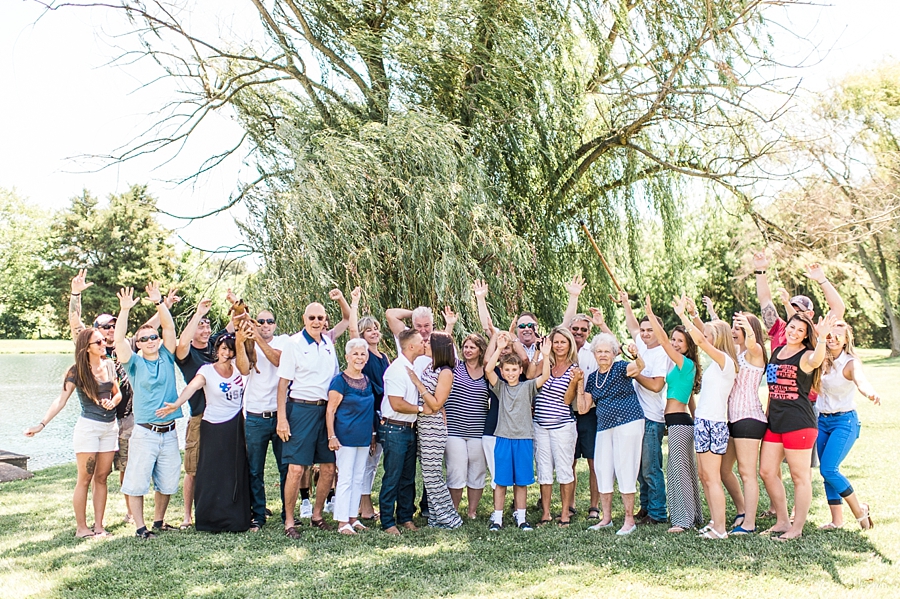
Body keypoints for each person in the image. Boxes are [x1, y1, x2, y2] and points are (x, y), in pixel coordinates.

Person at [67, 268, 178, 523]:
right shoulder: (90, 345)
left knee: (128, 465)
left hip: (127, 416)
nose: (111, 329)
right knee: (98, 473)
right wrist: (75, 294)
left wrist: (164, 304)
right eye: (106, 326)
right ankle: (95, 521)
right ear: (96, 329)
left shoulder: (123, 345)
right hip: (100, 418)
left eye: (114, 325)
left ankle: (131, 514)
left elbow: (149, 330)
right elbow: (74, 322)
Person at [24, 327, 122, 538]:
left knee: (102, 478)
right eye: (98, 342)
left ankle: (99, 526)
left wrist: (112, 402)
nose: (104, 343)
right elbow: (61, 400)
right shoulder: (76, 371)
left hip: (109, 427)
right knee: (85, 479)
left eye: (103, 340)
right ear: (86, 348)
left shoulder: (109, 364)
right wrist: (41, 425)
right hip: (89, 428)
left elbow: (118, 394)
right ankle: (82, 528)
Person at [157, 334, 250, 532]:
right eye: (223, 349)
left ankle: (236, 517)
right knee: (211, 472)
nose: (227, 353)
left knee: (234, 471)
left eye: (230, 349)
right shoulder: (207, 370)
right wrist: (176, 404)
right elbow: (191, 388)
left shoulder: (239, 370)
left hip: (235, 425)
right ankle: (209, 519)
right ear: (217, 350)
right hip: (213, 424)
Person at [759, 312, 836, 540]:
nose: (794, 332)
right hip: (775, 421)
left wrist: (821, 338)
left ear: (805, 336)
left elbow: (816, 360)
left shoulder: (807, 355)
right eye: (792, 327)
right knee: (766, 471)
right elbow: (773, 389)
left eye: (800, 330)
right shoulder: (777, 351)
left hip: (799, 424)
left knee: (799, 476)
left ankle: (797, 528)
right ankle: (782, 520)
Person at [115, 283, 182, 539]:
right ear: (138, 344)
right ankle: (140, 528)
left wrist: (159, 302)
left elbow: (169, 327)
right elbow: (119, 339)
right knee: (137, 482)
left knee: (167, 481)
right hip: (145, 433)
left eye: (153, 337)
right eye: (144, 339)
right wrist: (124, 310)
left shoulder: (167, 355)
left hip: (170, 432)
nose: (151, 341)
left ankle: (159, 521)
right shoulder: (133, 363)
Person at [673, 296, 738, 540]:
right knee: (704, 476)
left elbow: (699, 338)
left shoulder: (725, 361)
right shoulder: (715, 363)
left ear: (717, 339)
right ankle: (714, 521)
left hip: (713, 424)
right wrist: (694, 313)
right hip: (703, 422)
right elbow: (702, 333)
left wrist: (683, 316)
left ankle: (720, 529)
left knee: (711, 478)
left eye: (709, 335)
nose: (704, 338)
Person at [276, 302, 341, 538]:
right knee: (295, 469)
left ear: (325, 320)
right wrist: (282, 419)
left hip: (325, 412)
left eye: (320, 318)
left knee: (329, 467)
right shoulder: (293, 344)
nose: (316, 322)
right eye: (312, 317)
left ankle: (317, 515)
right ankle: (290, 522)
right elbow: (283, 384)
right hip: (300, 409)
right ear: (304, 319)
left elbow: (335, 380)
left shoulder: (328, 346)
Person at [645, 299, 704, 533]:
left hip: (679, 424)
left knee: (677, 473)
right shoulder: (681, 367)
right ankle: (693, 515)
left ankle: (682, 520)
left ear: (689, 346)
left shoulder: (685, 363)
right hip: (681, 423)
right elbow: (690, 400)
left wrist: (650, 314)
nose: (674, 344)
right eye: (674, 340)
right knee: (685, 471)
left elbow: (661, 341)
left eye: (680, 341)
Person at [577, 334, 645, 536]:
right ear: (594, 354)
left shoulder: (620, 367)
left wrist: (635, 354)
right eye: (599, 351)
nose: (603, 355)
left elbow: (639, 367)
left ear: (614, 353)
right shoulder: (593, 378)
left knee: (626, 468)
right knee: (602, 468)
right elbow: (582, 409)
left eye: (607, 351)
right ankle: (606, 518)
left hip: (629, 422)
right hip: (605, 426)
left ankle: (629, 520)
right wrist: (579, 383)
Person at [485, 333, 552, 531]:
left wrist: (545, 356)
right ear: (503, 372)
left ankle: (521, 518)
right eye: (507, 370)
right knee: (501, 482)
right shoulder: (500, 388)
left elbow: (545, 376)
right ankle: (497, 519)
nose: (511, 373)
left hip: (523, 439)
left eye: (514, 369)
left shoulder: (528, 386)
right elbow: (488, 368)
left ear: (520, 370)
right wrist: (499, 348)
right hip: (504, 439)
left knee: (521, 482)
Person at [817, 321, 879, 530]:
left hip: (844, 421)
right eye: (830, 335)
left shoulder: (850, 362)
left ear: (846, 340)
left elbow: (861, 381)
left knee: (829, 469)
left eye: (838, 336)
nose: (833, 338)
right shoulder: (820, 359)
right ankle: (836, 521)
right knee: (827, 470)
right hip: (821, 421)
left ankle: (860, 511)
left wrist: (870, 392)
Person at [234, 311, 290, 530]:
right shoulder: (249, 343)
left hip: (280, 416)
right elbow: (242, 369)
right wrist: (241, 341)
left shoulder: (284, 341)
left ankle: (288, 513)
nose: (265, 325)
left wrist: (256, 337)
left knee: (285, 467)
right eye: (261, 321)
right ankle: (258, 514)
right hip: (255, 416)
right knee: (255, 470)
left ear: (275, 325)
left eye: (270, 321)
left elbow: (278, 361)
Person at [619, 291, 672, 526]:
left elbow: (656, 385)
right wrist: (626, 304)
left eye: (650, 330)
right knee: (640, 469)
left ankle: (658, 512)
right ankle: (646, 506)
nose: (645, 333)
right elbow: (631, 325)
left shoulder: (662, 353)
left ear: (659, 332)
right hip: (636, 417)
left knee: (651, 468)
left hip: (652, 417)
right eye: (644, 330)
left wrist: (635, 372)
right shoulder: (642, 343)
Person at [174, 296, 226, 529]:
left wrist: (235, 304)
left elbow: (234, 324)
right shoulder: (187, 356)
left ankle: (220, 507)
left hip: (225, 417)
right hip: (199, 416)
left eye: (207, 325)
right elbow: (182, 344)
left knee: (221, 464)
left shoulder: (216, 347)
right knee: (193, 468)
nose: (205, 329)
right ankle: (187, 515)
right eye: (200, 326)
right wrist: (197, 314)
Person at [407, 332, 464, 529]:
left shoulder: (446, 372)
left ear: (438, 347)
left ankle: (450, 518)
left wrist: (418, 383)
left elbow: (438, 403)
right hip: (423, 424)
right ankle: (436, 517)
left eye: (428, 342)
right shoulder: (431, 366)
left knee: (433, 476)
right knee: (428, 475)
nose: (424, 344)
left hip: (433, 428)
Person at [720, 312, 769, 535]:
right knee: (724, 470)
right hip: (733, 419)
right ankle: (742, 511)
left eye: (737, 328)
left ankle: (749, 523)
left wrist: (747, 327)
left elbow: (753, 342)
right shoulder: (737, 353)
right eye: (733, 327)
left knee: (747, 472)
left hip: (749, 418)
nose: (733, 331)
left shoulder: (754, 352)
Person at [326, 338, 378, 535]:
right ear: (347, 356)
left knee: (358, 478)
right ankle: (341, 521)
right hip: (345, 438)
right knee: (346, 478)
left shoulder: (366, 381)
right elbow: (330, 410)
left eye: (363, 354)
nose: (359, 357)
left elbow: (370, 409)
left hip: (364, 438)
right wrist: (332, 436)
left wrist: (373, 434)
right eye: (355, 354)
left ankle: (353, 518)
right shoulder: (339, 381)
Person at [379, 328, 428, 535]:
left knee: (408, 476)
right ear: (410, 346)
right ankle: (388, 521)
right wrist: (420, 409)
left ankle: (405, 517)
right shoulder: (397, 370)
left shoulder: (412, 367)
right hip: (395, 428)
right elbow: (397, 404)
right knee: (393, 476)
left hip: (409, 428)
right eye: (421, 341)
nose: (425, 343)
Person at [532, 326, 580, 527]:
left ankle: (565, 513)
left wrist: (574, 382)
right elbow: (529, 375)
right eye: (556, 342)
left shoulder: (574, 369)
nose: (559, 346)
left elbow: (568, 400)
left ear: (569, 344)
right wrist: (539, 353)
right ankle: (545, 513)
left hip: (562, 426)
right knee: (543, 469)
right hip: (540, 425)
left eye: (563, 342)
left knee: (564, 469)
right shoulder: (545, 363)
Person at [565, 310, 609, 520]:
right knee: (570, 461)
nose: (579, 332)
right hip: (566, 412)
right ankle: (570, 504)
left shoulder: (594, 351)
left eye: (583, 329)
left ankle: (594, 506)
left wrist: (602, 325)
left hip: (590, 414)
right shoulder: (562, 349)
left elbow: (615, 350)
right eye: (575, 329)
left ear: (589, 331)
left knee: (594, 461)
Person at [751, 253, 845, 348]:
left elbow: (838, 309)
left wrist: (822, 280)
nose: (794, 315)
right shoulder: (778, 328)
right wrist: (760, 270)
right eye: (791, 309)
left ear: (810, 314)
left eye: (799, 312)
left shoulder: (817, 332)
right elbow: (765, 300)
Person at [443, 333, 490, 519]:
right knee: (456, 468)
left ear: (480, 350)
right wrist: (450, 326)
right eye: (465, 347)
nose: (467, 350)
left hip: (478, 430)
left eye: (472, 347)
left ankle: (472, 511)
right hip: (454, 429)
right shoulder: (455, 367)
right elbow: (444, 347)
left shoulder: (487, 372)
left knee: (477, 470)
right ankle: (453, 509)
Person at [353, 312, 389, 521]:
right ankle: (364, 505)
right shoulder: (363, 357)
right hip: (370, 413)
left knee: (373, 462)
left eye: (375, 328)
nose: (374, 332)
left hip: (384, 412)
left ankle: (362, 503)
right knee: (368, 460)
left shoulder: (384, 356)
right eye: (368, 329)